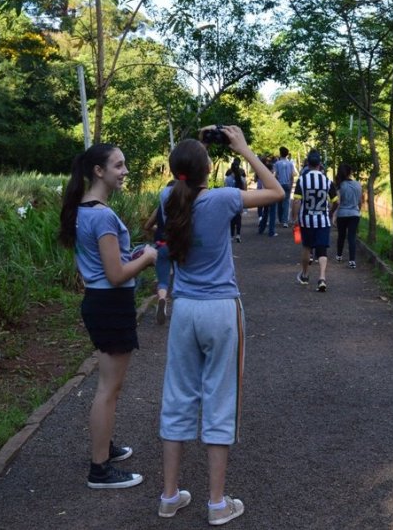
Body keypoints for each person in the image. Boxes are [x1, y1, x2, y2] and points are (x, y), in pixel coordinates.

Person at [156, 125, 283, 525]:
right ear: (208, 168)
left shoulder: (166, 198)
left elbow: (182, 187)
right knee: (220, 399)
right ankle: (215, 503)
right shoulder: (225, 199)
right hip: (221, 310)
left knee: (178, 398)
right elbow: (277, 192)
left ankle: (169, 496)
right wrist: (244, 149)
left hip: (185, 309)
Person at [58, 143, 158, 489]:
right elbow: (116, 275)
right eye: (119, 165)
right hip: (110, 302)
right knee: (108, 389)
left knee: (109, 386)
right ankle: (99, 469)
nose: (125, 170)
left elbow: (103, 264)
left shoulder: (83, 210)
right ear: (99, 171)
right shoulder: (101, 215)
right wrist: (146, 258)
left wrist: (132, 253)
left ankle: (105, 447)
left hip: (99, 301)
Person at [291, 149, 338, 292]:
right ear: (320, 164)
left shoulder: (302, 180)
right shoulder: (327, 181)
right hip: (323, 220)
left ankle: (305, 274)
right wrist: (330, 212)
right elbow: (336, 201)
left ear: (308, 164)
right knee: (322, 250)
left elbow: (296, 201)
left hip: (306, 220)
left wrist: (295, 218)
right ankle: (322, 278)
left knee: (306, 247)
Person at [143, 180, 175, 324]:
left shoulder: (159, 209)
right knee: (182, 278)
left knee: (163, 280)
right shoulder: (185, 209)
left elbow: (147, 226)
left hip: (162, 245)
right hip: (178, 246)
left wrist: (159, 230)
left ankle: (162, 299)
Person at [333, 162, 362, 269]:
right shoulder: (358, 184)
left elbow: (337, 202)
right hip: (355, 214)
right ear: (350, 172)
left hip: (342, 214)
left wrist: (333, 214)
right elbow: (360, 202)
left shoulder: (340, 185)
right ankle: (352, 260)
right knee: (351, 237)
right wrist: (358, 211)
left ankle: (339, 255)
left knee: (341, 235)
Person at [224, 157, 247, 243]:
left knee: (232, 218)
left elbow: (225, 189)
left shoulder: (228, 178)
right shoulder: (241, 178)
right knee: (238, 218)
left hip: (230, 200)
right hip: (239, 199)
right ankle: (238, 235)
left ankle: (231, 235)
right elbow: (245, 189)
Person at [272, 146, 295, 229]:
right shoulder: (290, 164)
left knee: (279, 202)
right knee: (286, 202)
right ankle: (285, 221)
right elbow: (292, 175)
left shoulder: (277, 164)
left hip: (279, 184)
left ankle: (280, 218)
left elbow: (275, 175)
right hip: (288, 184)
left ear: (280, 153)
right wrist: (291, 184)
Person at [256, 155, 278, 236]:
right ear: (271, 169)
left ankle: (261, 229)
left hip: (264, 196)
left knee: (265, 213)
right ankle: (271, 231)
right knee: (272, 214)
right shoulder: (271, 177)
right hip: (271, 196)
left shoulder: (262, 176)